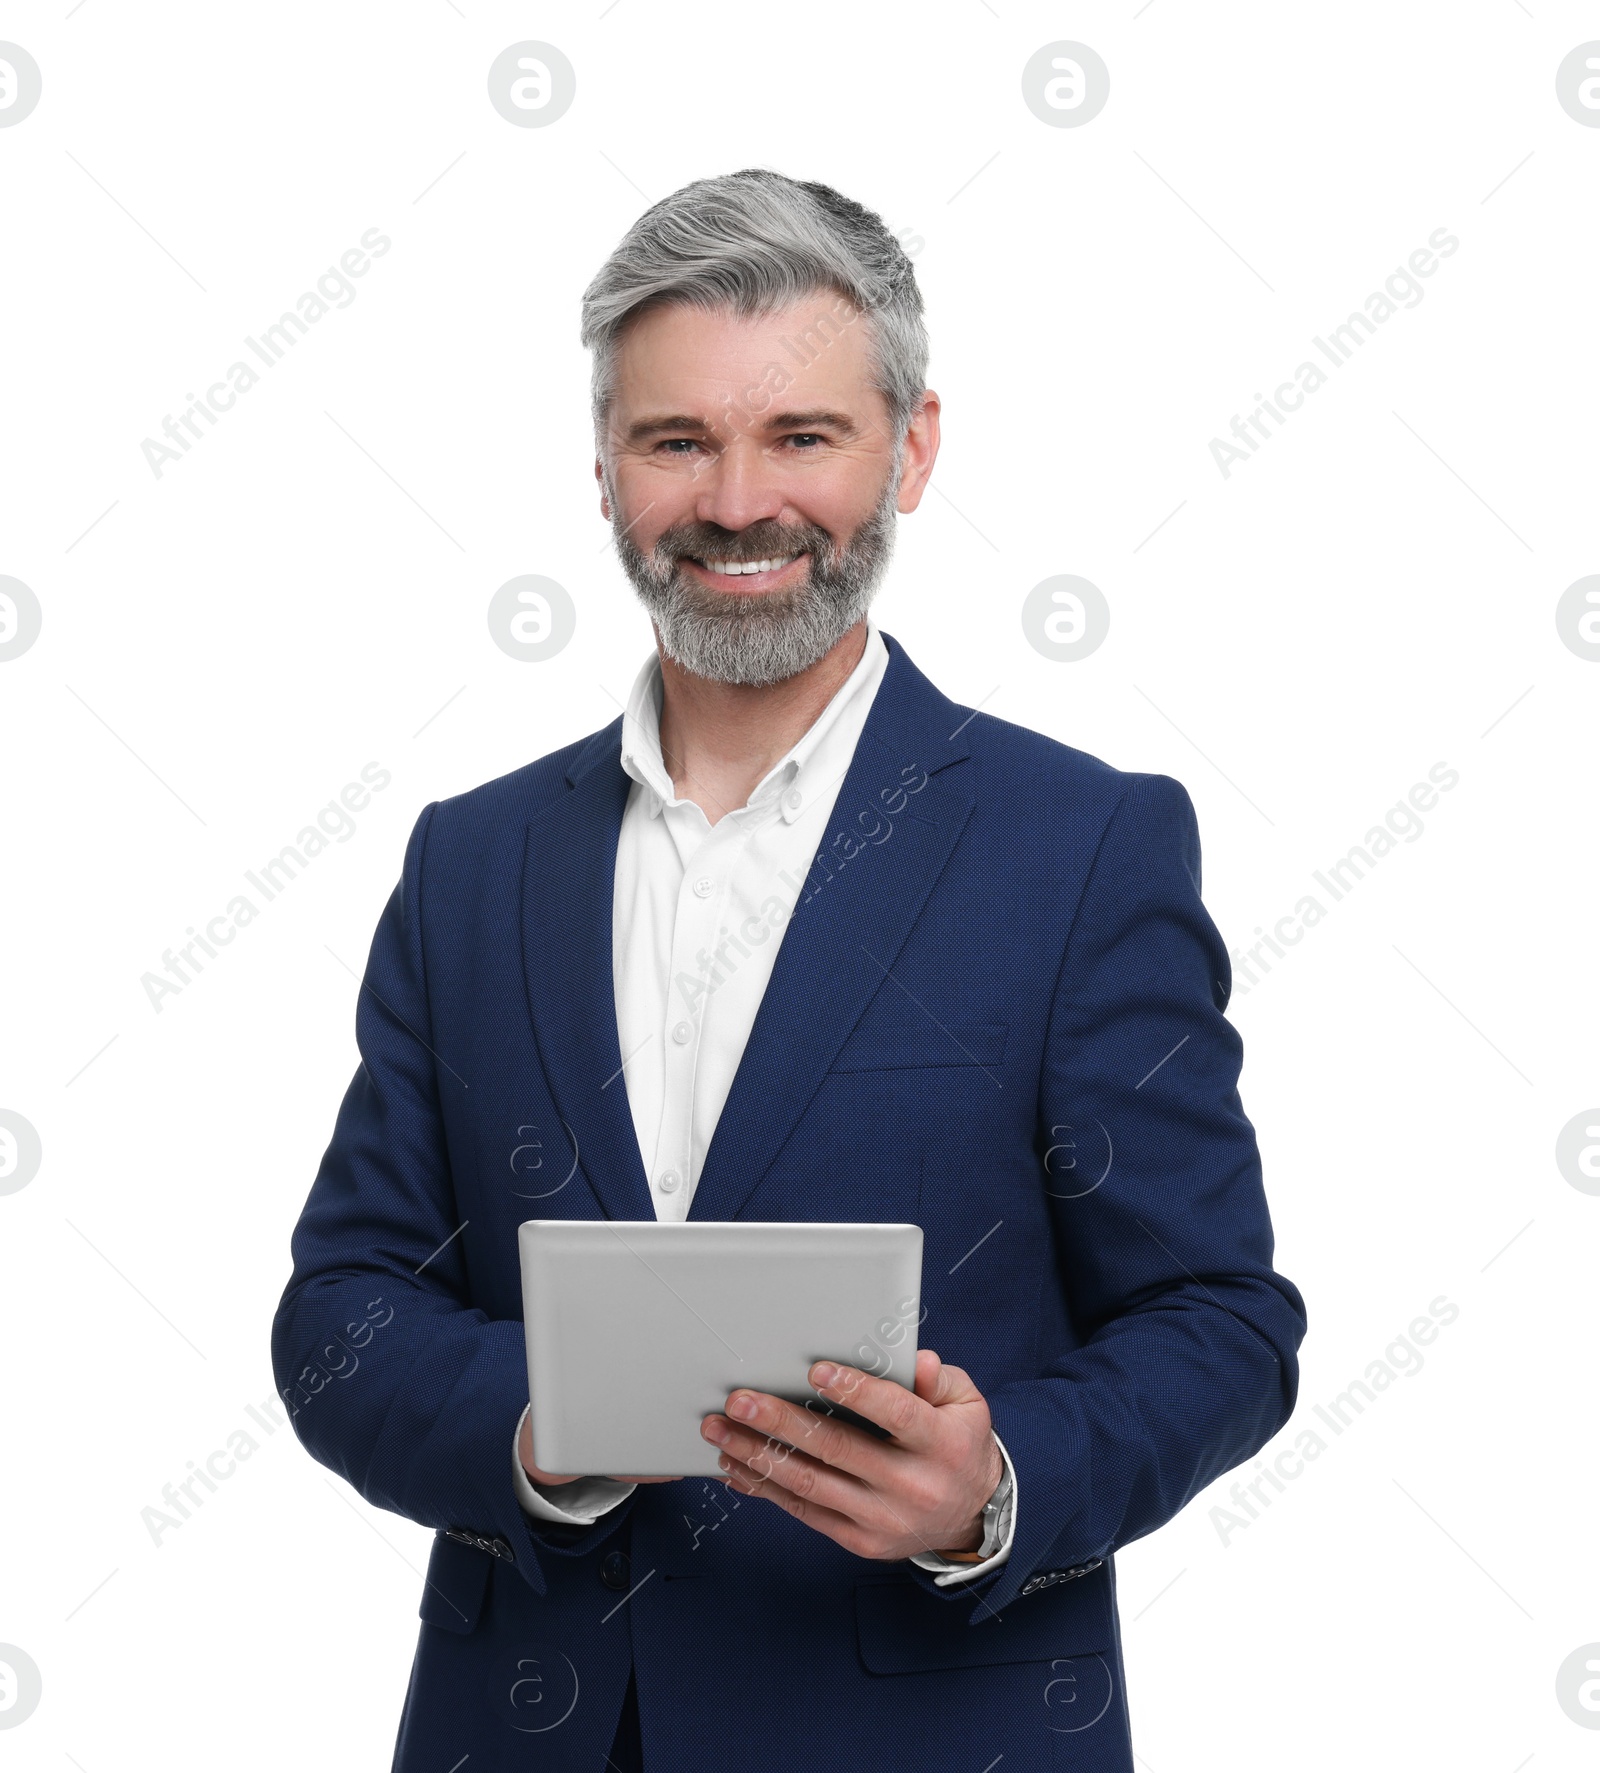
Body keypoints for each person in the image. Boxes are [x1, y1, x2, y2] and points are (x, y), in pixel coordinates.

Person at [271, 166, 1306, 1773]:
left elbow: (1221, 1317)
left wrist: (998, 1479)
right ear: (606, 467)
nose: (739, 501)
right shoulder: (469, 863)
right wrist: (540, 1427)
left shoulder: (1081, 846)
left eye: (802, 437)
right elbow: (343, 1307)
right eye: (678, 439)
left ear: (914, 446)